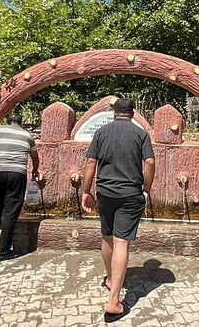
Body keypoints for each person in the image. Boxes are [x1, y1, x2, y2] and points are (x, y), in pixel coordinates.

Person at [81, 98, 155, 323]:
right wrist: (146, 189)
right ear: (132, 113)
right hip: (130, 194)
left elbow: (91, 163)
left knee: (107, 237)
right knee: (122, 242)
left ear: (114, 113)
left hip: (105, 192)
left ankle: (112, 280)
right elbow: (150, 162)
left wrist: (86, 191)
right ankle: (114, 302)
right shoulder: (140, 134)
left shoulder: (102, 132)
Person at [0, 113, 39, 261]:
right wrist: (35, 169)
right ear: (21, 123)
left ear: (8, 121)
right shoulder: (28, 135)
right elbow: (35, 157)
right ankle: (3, 252)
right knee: (11, 211)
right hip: (17, 173)